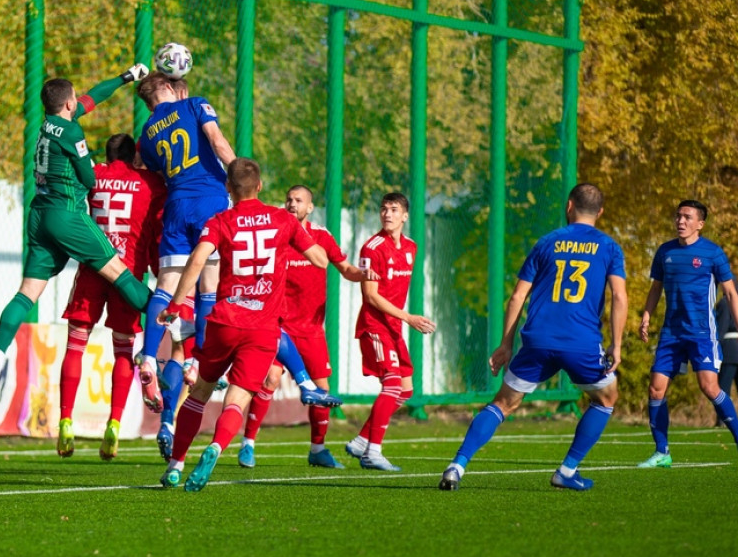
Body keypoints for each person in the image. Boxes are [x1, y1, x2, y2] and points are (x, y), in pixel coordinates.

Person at [156, 159, 330, 492]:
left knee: (200, 393)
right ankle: (217, 447)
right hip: (263, 327)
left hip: (224, 321)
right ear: (260, 186)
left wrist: (175, 305)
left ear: (228, 189)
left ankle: (176, 465)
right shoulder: (283, 220)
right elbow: (320, 260)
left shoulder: (221, 220)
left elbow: (197, 260)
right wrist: (295, 233)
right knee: (237, 399)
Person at [0, 65, 153, 399]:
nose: (81, 101)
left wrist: (125, 77)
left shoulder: (47, 126)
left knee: (26, 292)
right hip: (67, 214)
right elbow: (89, 180)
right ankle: (176, 328)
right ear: (68, 104)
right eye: (76, 98)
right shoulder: (73, 133)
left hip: (39, 215)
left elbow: (95, 96)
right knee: (119, 272)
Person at [440, 183, 627, 491]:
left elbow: (517, 297)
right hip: (580, 342)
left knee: (502, 403)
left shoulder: (547, 242)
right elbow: (619, 297)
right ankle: (567, 471)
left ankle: (456, 465)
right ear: (601, 212)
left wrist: (506, 344)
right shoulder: (608, 247)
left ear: (569, 206)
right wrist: (616, 345)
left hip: (537, 339)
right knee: (606, 398)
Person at [133, 71, 237, 459]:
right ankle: (198, 360)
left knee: (166, 286)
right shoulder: (194, 104)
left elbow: (157, 170)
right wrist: (239, 174)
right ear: (172, 89)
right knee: (209, 287)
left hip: (176, 207)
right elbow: (217, 141)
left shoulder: (146, 133)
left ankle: (147, 355)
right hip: (210, 201)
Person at [235, 185, 375, 470]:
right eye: (288, 199)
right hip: (278, 325)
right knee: (270, 379)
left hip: (311, 329)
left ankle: (318, 449)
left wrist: (363, 274)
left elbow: (345, 268)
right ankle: (248, 444)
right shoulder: (274, 233)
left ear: (310, 207)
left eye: (298, 200)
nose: (291, 204)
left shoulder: (321, 236)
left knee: (322, 389)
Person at [57, 133, 165, 460]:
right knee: (123, 349)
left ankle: (64, 420)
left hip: (93, 268)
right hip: (128, 273)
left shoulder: (95, 176)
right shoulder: (150, 181)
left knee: (76, 343)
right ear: (135, 156)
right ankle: (114, 423)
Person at [636, 200, 738, 468]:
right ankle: (662, 453)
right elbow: (656, 287)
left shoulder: (712, 253)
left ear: (700, 224)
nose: (680, 221)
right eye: (678, 216)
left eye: (687, 217)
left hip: (702, 334)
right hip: (671, 333)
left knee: (709, 387)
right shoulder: (665, 251)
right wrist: (646, 316)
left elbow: (730, 293)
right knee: (656, 390)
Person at [344, 192, 436, 471]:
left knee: (405, 390)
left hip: (393, 326)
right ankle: (373, 451)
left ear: (405, 216)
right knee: (392, 384)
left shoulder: (411, 247)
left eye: (394, 210)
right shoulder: (371, 248)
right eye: (384, 209)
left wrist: (402, 320)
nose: (387, 214)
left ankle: (361, 440)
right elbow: (370, 296)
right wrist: (408, 317)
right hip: (374, 325)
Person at [715, 299, 738, 424]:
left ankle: (722, 420)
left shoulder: (726, 303)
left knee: (724, 388)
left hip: (729, 350)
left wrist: (716, 347)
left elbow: (722, 328)